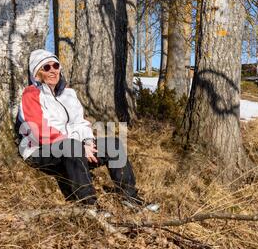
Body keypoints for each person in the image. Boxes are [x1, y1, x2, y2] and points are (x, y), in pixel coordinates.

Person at [16, 49, 157, 211]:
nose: (53, 70)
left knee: (113, 145)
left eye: (55, 65)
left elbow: (80, 123)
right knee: (72, 147)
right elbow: (39, 130)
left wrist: (88, 142)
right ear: (37, 74)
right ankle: (90, 206)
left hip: (71, 150)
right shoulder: (31, 94)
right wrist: (77, 145)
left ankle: (130, 198)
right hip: (39, 151)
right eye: (46, 68)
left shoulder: (69, 94)